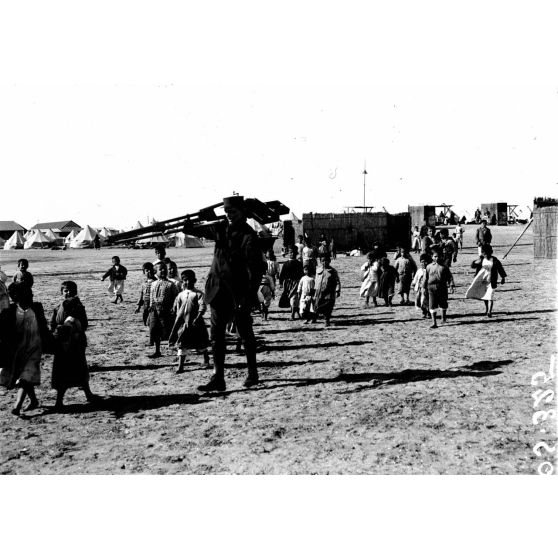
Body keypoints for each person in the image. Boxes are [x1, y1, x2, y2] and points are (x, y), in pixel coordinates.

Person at [194, 195, 267, 391]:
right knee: (216, 335)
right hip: (217, 291)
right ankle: (218, 377)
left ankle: (253, 372)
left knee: (245, 334)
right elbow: (193, 229)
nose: (229, 216)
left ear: (243, 212)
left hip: (238, 293)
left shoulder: (249, 236)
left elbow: (257, 269)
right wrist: (198, 217)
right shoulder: (220, 228)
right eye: (226, 213)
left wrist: (249, 296)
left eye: (233, 212)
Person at [0, 282, 53, 416]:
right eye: (27, 294)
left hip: (35, 347)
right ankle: (34, 401)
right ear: (15, 297)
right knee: (24, 376)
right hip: (17, 350)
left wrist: (50, 341)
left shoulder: (37, 308)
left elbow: (44, 327)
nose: (31, 296)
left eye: (30, 294)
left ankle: (17, 406)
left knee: (25, 376)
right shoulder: (9, 312)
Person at [51, 281, 99, 410]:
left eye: (71, 290)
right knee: (62, 372)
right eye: (65, 290)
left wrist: (73, 326)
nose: (68, 292)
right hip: (62, 344)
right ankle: (59, 400)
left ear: (75, 291)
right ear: (61, 292)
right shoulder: (57, 308)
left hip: (76, 343)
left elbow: (84, 324)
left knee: (80, 368)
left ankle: (88, 394)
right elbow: (53, 325)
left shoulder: (78, 307)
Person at [169, 270, 210, 373]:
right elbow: (176, 306)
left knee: (200, 344)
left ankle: (206, 359)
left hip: (196, 324)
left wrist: (198, 316)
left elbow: (202, 306)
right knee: (182, 344)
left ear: (194, 281)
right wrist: (174, 311)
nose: (187, 282)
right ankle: (180, 366)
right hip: (183, 324)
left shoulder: (198, 294)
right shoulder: (180, 295)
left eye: (189, 280)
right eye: (184, 280)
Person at [147, 261, 179, 358]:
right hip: (154, 310)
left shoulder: (171, 284)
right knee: (154, 329)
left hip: (166, 310)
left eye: (165, 268)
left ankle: (177, 348)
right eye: (160, 269)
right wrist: (150, 311)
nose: (163, 271)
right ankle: (157, 350)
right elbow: (151, 298)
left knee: (169, 329)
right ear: (155, 272)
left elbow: (176, 298)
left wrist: (174, 309)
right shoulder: (153, 284)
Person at [465, 244, 507, 318]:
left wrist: (503, 278)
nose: (486, 255)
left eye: (487, 254)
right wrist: (475, 262)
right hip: (483, 281)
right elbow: (473, 266)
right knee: (485, 296)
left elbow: (500, 269)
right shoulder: (482, 260)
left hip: (492, 281)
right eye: (484, 254)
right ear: (482, 253)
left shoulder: (495, 260)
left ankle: (489, 312)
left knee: (490, 296)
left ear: (490, 253)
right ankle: (487, 309)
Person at [424, 246, 455, 328]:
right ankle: (434, 322)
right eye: (435, 256)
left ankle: (443, 318)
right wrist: (424, 287)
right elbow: (425, 278)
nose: (436, 258)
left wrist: (451, 285)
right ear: (432, 257)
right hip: (431, 287)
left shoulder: (444, 267)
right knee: (432, 304)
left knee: (443, 302)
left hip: (442, 286)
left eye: (438, 256)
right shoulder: (429, 267)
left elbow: (450, 277)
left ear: (441, 256)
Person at [313, 254, 340, 326]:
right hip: (319, 291)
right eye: (322, 261)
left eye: (326, 261)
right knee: (317, 304)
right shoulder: (318, 270)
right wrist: (314, 290)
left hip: (329, 292)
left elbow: (337, 281)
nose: (324, 262)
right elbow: (315, 280)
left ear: (329, 261)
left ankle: (326, 320)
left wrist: (337, 290)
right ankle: (315, 317)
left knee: (328, 306)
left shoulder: (333, 271)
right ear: (320, 262)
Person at [279, 247, 304, 320]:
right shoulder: (286, 264)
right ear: (288, 253)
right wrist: (281, 283)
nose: (292, 254)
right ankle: (296, 312)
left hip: (296, 283)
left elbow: (301, 274)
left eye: (293, 252)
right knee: (291, 298)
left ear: (296, 253)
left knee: (294, 298)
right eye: (290, 252)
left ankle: (292, 315)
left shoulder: (299, 263)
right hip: (287, 284)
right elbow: (282, 274)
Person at [411, 253, 431, 318]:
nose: (423, 263)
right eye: (422, 262)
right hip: (419, 289)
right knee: (419, 301)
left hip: (427, 289)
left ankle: (428, 312)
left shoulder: (430, 270)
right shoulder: (419, 271)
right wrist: (413, 284)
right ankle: (424, 311)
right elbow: (416, 278)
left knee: (426, 301)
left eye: (425, 262)